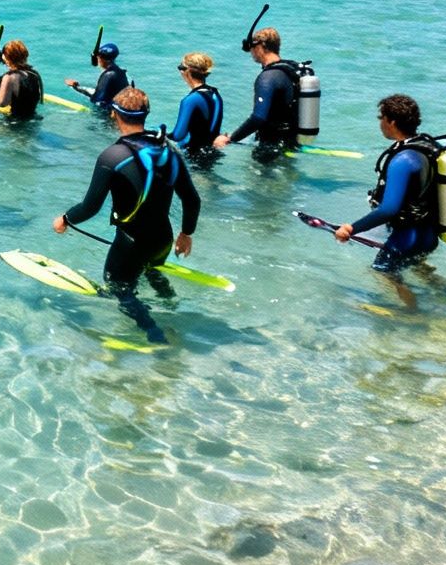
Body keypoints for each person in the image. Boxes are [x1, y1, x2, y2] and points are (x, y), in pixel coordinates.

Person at [52, 87, 201, 344]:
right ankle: (170, 304)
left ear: (114, 115)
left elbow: (90, 207)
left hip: (131, 243)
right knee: (152, 270)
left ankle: (156, 335)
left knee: (118, 289)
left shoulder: (112, 156)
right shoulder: (169, 151)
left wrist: (65, 219)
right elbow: (192, 199)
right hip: (163, 238)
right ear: (146, 115)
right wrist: (186, 234)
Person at [335, 94, 443, 274]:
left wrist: (351, 229)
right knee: (420, 271)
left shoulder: (403, 160)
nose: (380, 123)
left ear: (391, 122)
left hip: (408, 237)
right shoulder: (428, 147)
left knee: (383, 273)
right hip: (428, 235)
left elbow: (388, 209)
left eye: (381, 118)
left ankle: (406, 304)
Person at [213, 27, 301, 155]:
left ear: (260, 46)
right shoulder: (289, 69)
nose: (251, 52)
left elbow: (258, 118)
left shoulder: (267, 77)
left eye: (252, 48)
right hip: (290, 140)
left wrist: (230, 138)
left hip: (271, 147)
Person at [170, 52, 224, 153]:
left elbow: (178, 135)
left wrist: (161, 134)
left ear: (187, 71)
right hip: (213, 152)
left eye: (181, 67)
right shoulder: (215, 93)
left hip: (195, 155)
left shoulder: (190, 100)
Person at [0, 39, 42, 121]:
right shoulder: (35, 74)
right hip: (33, 119)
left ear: (7, 58)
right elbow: (39, 99)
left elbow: (2, 102)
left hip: (13, 123)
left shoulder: (9, 77)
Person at [64, 42, 129, 116]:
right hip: (121, 110)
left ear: (101, 59)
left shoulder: (108, 75)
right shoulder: (120, 72)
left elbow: (96, 100)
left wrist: (75, 87)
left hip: (109, 116)